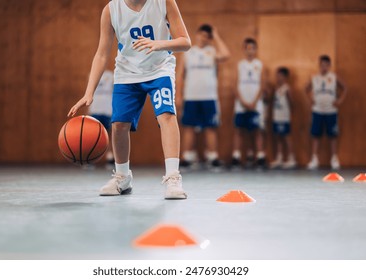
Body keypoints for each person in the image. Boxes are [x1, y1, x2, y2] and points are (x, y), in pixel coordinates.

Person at [68, 0, 191, 199]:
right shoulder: (111, 10)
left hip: (160, 69)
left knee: (166, 115)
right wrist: (89, 91)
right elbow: (101, 54)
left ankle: (173, 177)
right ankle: (123, 177)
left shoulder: (164, 2)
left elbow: (185, 42)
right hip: (127, 72)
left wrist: (159, 44)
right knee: (118, 124)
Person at [177, 24, 230, 171]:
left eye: (207, 36)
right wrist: (179, 95)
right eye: (202, 34)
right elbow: (180, 76)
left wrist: (216, 36)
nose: (204, 38)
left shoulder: (212, 52)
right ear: (197, 34)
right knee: (189, 127)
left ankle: (212, 158)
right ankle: (187, 158)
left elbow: (226, 55)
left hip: (209, 97)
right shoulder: (188, 53)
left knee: (210, 127)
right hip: (191, 97)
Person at [306, 55, 347, 170]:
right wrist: (310, 99)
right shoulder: (314, 78)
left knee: (333, 135)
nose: (323, 67)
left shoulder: (333, 77)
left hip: (331, 111)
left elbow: (345, 88)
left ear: (329, 66)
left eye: (326, 65)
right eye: (321, 65)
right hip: (317, 110)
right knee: (315, 135)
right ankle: (314, 158)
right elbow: (306, 89)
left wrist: (340, 100)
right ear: (319, 65)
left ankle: (334, 158)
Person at [231, 38, 267, 169]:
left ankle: (260, 157)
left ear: (256, 50)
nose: (250, 51)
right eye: (248, 48)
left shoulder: (260, 65)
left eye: (253, 48)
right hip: (241, 104)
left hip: (256, 104)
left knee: (257, 130)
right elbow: (234, 85)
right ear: (244, 50)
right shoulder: (239, 65)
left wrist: (254, 101)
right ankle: (236, 156)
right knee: (239, 130)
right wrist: (243, 101)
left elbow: (263, 84)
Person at [270, 67, 296, 169]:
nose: (278, 78)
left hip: (284, 117)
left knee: (286, 137)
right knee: (278, 137)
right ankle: (279, 157)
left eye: (280, 76)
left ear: (285, 77)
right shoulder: (276, 88)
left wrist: (289, 114)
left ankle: (291, 158)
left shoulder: (287, 88)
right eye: (277, 76)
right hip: (276, 116)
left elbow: (292, 103)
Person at [88, 70, 115, 168]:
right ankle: (90, 158)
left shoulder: (112, 76)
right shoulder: (93, 75)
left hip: (107, 110)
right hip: (95, 110)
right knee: (93, 136)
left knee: (108, 135)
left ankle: (110, 157)